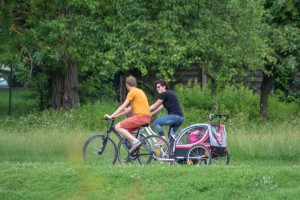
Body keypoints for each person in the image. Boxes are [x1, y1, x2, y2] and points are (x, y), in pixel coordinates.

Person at [104, 75, 151, 153]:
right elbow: (128, 110)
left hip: (140, 117)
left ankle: (136, 141)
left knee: (117, 127)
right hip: (146, 118)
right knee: (126, 131)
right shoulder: (140, 91)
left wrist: (110, 116)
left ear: (127, 84)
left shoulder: (132, 92)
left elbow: (123, 106)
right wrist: (115, 116)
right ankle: (135, 151)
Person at [150, 80, 184, 145]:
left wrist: (145, 110)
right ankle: (173, 152)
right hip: (180, 118)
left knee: (156, 123)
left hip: (174, 116)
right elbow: (161, 106)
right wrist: (152, 113)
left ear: (164, 86)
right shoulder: (169, 94)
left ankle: (162, 139)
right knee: (171, 138)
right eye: (156, 87)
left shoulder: (164, 94)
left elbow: (155, 105)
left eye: (159, 87)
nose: (157, 89)